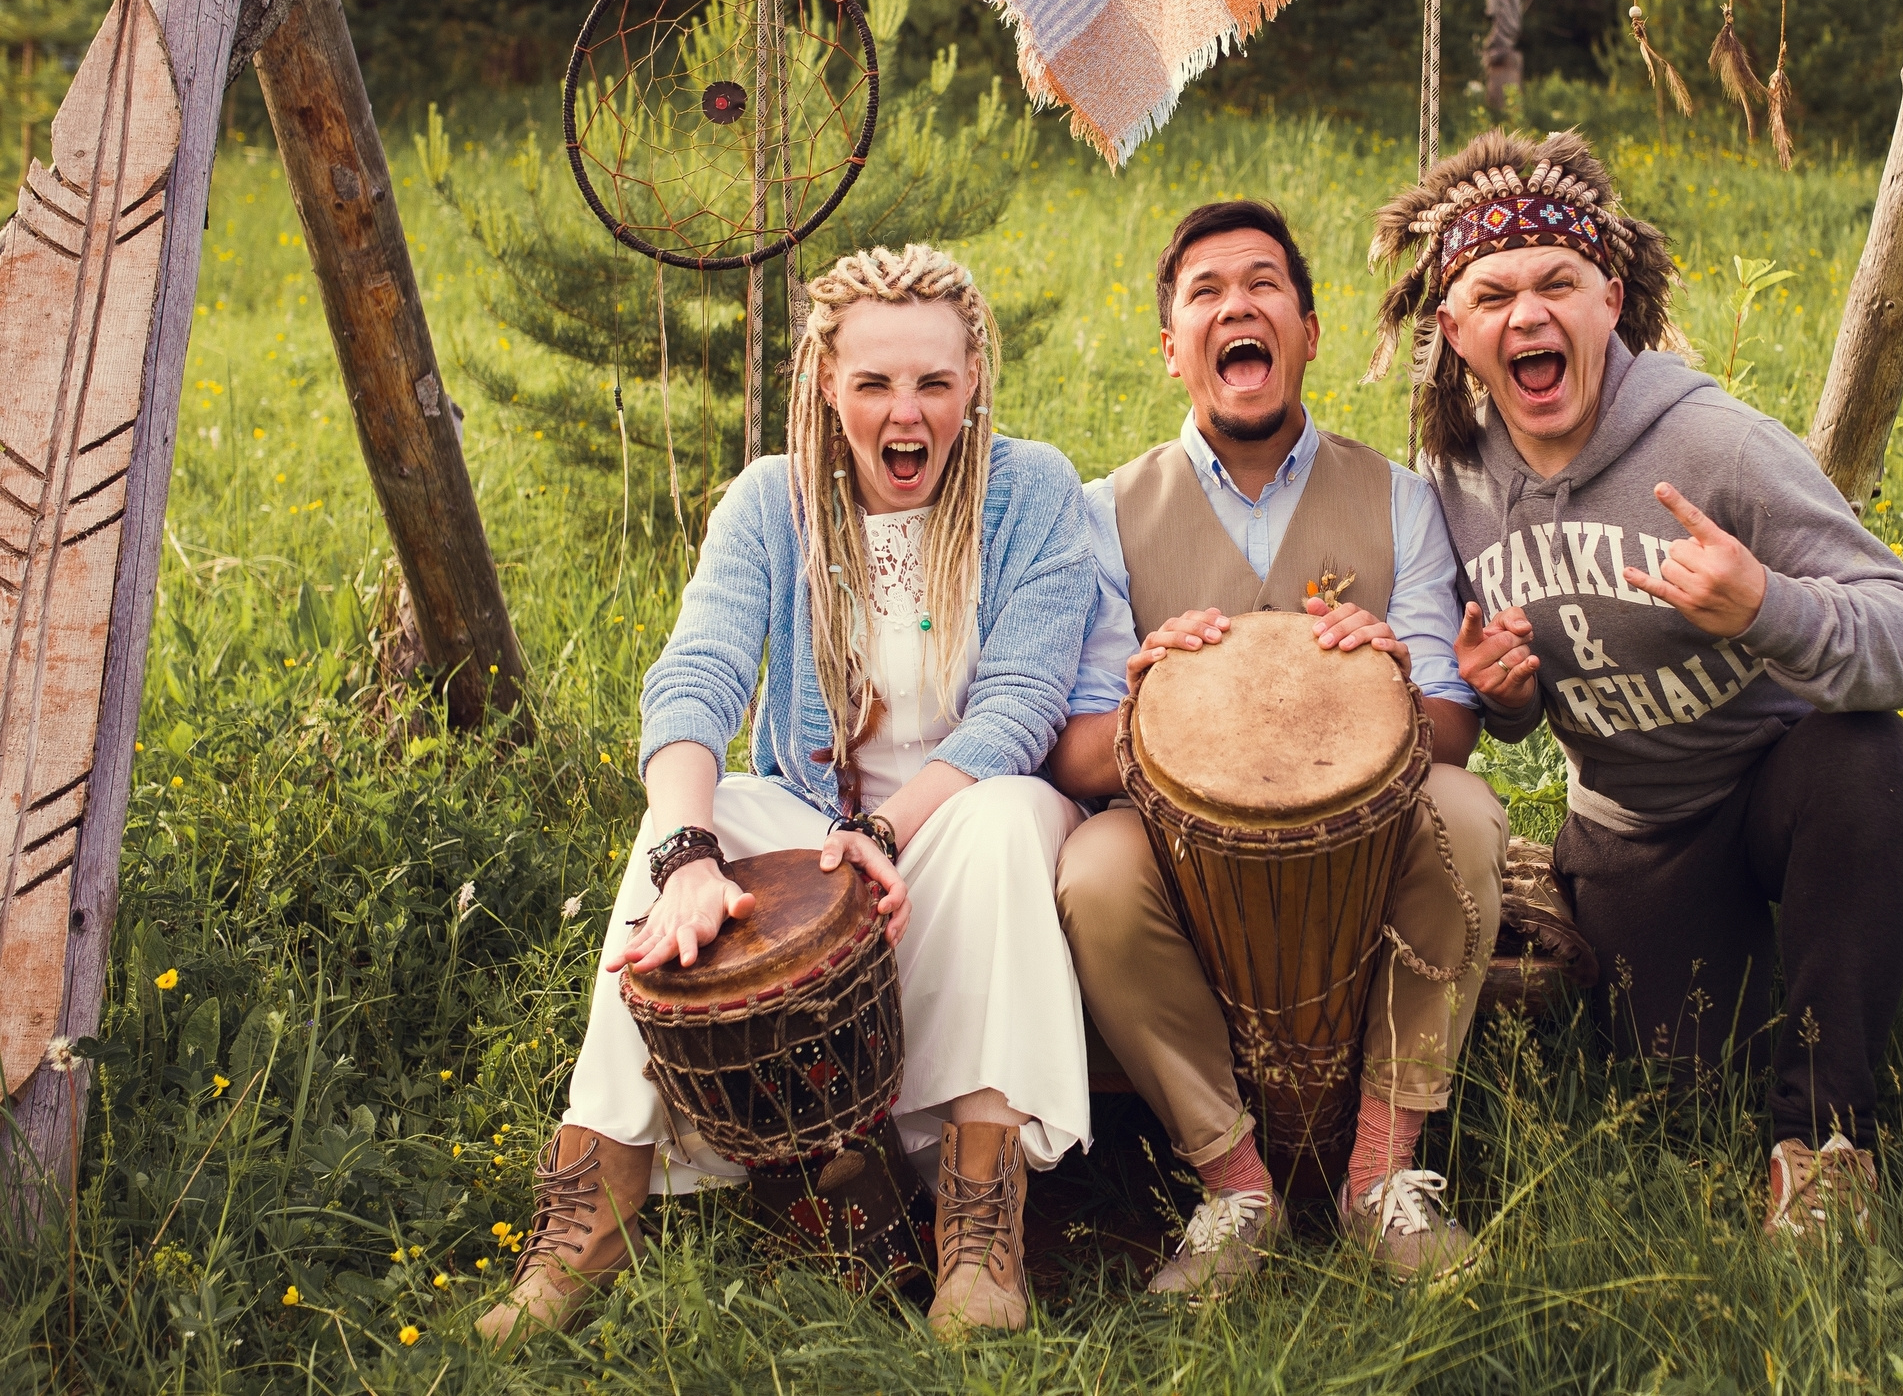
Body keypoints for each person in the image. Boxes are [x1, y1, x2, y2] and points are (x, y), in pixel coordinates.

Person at [479, 247, 1095, 1345]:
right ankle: (594, 1206)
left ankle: (978, 1226)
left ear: (974, 383)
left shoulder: (1032, 488)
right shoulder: (772, 500)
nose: (904, 414)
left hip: (968, 813)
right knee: (687, 822)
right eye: (874, 384)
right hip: (822, 827)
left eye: (933, 384)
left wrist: (883, 832)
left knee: (1005, 820)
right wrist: (686, 854)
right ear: (825, 384)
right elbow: (697, 672)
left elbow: (1022, 706)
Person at [1368, 132, 1903, 1239]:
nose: (1527, 316)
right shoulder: (1447, 482)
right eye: (1492, 294)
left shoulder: (1717, 446)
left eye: (1557, 285)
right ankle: (1767, 971)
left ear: (1610, 301)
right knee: (1681, 1084)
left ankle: (1824, 1141)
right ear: (1453, 332)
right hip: (1635, 826)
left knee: (1867, 763)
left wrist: (1767, 604)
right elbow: (1521, 706)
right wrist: (1507, 699)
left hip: (1782, 786)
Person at [1047, 200, 1508, 1294]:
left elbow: (1452, 731)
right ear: (1172, 350)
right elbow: (1073, 756)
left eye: (1262, 285)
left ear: (1307, 331)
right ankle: (1233, 1185)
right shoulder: (1102, 510)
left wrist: (1391, 677)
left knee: (1467, 821)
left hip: (1360, 861)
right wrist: (1146, 701)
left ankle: (1380, 1179)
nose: (1235, 304)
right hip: (1182, 865)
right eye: (1204, 292)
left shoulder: (1398, 499)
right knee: (1094, 870)